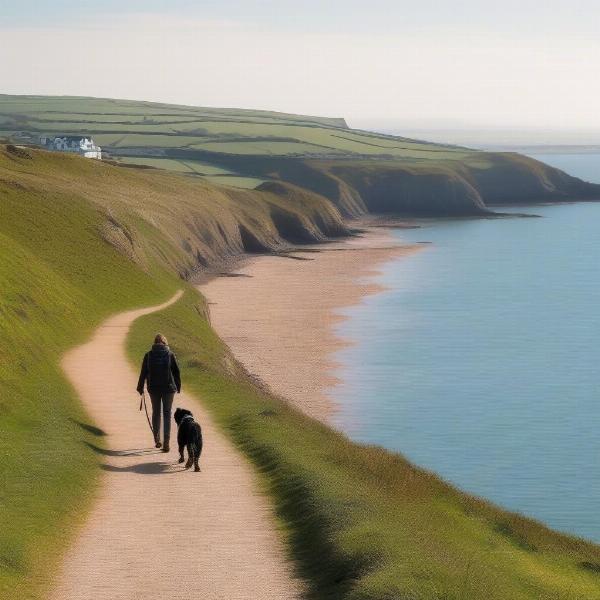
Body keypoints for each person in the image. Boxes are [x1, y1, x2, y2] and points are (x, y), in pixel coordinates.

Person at [136, 333, 181, 452]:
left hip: (153, 388)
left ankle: (157, 440)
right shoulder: (170, 354)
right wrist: (178, 386)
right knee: (167, 414)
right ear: (165, 343)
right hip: (168, 389)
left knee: (156, 413)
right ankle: (166, 442)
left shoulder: (148, 355)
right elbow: (176, 372)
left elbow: (143, 373)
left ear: (154, 343)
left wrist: (140, 388)